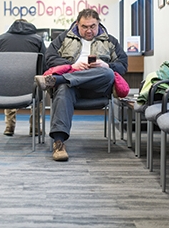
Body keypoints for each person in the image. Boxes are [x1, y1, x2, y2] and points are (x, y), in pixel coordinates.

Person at [35, 8, 127, 161]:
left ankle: (60, 79)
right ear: (77, 24)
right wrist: (73, 66)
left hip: (98, 87)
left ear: (98, 24)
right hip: (73, 88)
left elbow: (123, 65)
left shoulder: (110, 41)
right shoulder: (64, 38)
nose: (89, 30)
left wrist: (105, 65)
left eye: (92, 26)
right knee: (63, 89)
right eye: (84, 27)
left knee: (108, 73)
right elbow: (49, 58)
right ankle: (59, 143)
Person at [0, 19, 47, 136]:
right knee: (38, 86)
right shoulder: (37, 40)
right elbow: (44, 65)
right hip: (30, 87)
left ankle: (9, 126)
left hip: (6, 87)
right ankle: (35, 128)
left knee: (8, 81)